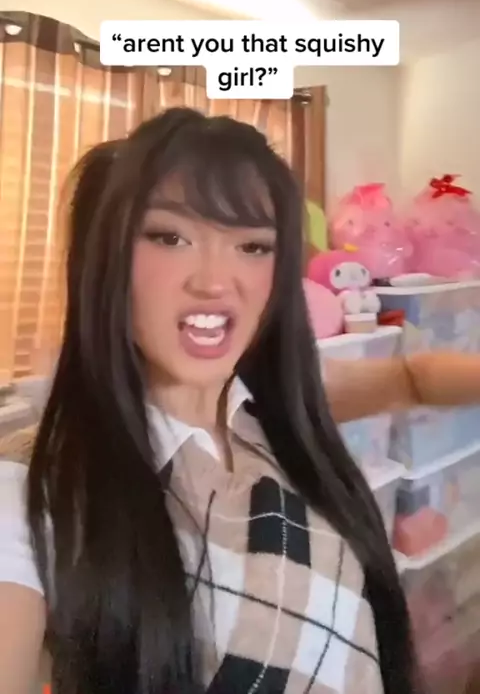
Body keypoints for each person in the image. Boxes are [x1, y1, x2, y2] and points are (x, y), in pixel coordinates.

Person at [0, 108, 420, 694]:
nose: (217, 282)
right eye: (169, 237)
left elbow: (414, 378)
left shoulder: (281, 416)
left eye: (252, 246)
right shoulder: (32, 490)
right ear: (105, 258)